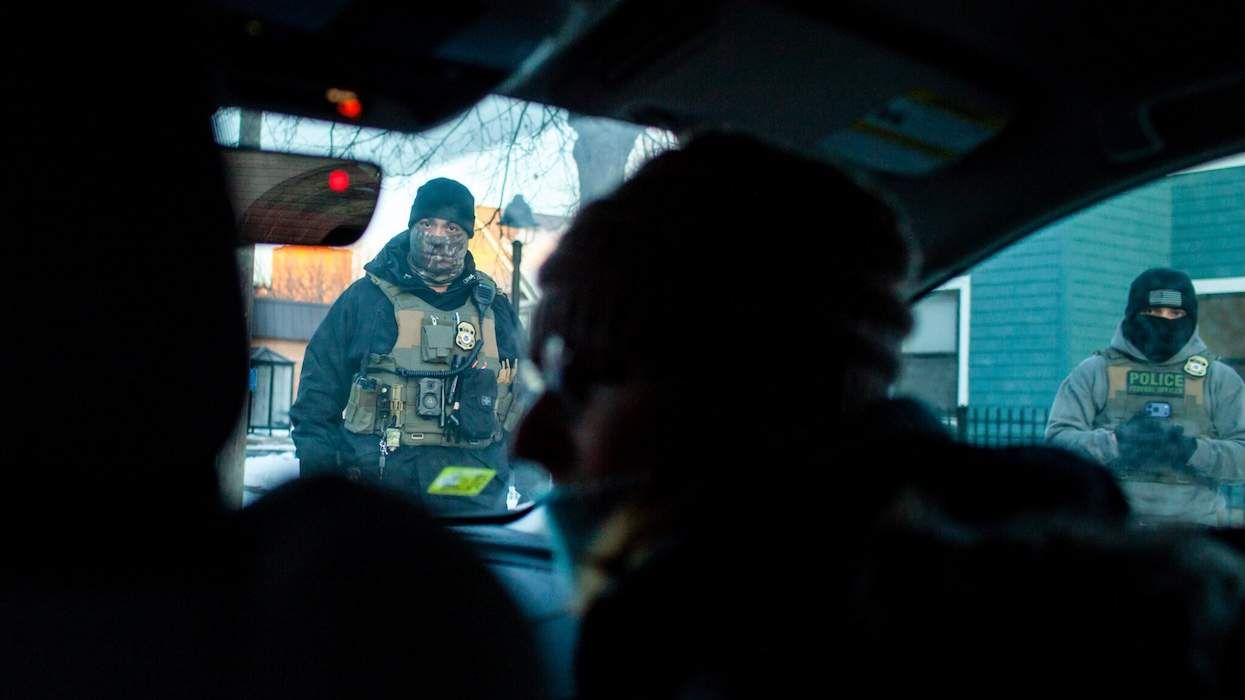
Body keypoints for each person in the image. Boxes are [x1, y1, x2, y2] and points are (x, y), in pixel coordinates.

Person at [510, 132, 1133, 698]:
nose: (526, 442)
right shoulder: (1068, 574)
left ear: (746, 380)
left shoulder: (701, 642)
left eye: (577, 378)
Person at [291, 177, 525, 513]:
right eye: (428, 223)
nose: (438, 237)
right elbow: (316, 401)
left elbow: (530, 398)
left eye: (452, 228)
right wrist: (319, 481)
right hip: (381, 493)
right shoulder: (366, 300)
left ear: (468, 235)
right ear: (412, 226)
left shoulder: (494, 308)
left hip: (472, 499)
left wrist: (532, 484)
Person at [1047, 267, 1245, 525]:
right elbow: (1057, 444)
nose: (1164, 322)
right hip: (1114, 532)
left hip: (1191, 536)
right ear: (1133, 314)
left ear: (1191, 318)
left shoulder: (1218, 379)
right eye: (1152, 312)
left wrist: (1191, 450)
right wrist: (1116, 442)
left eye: (1176, 313)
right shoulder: (1096, 372)